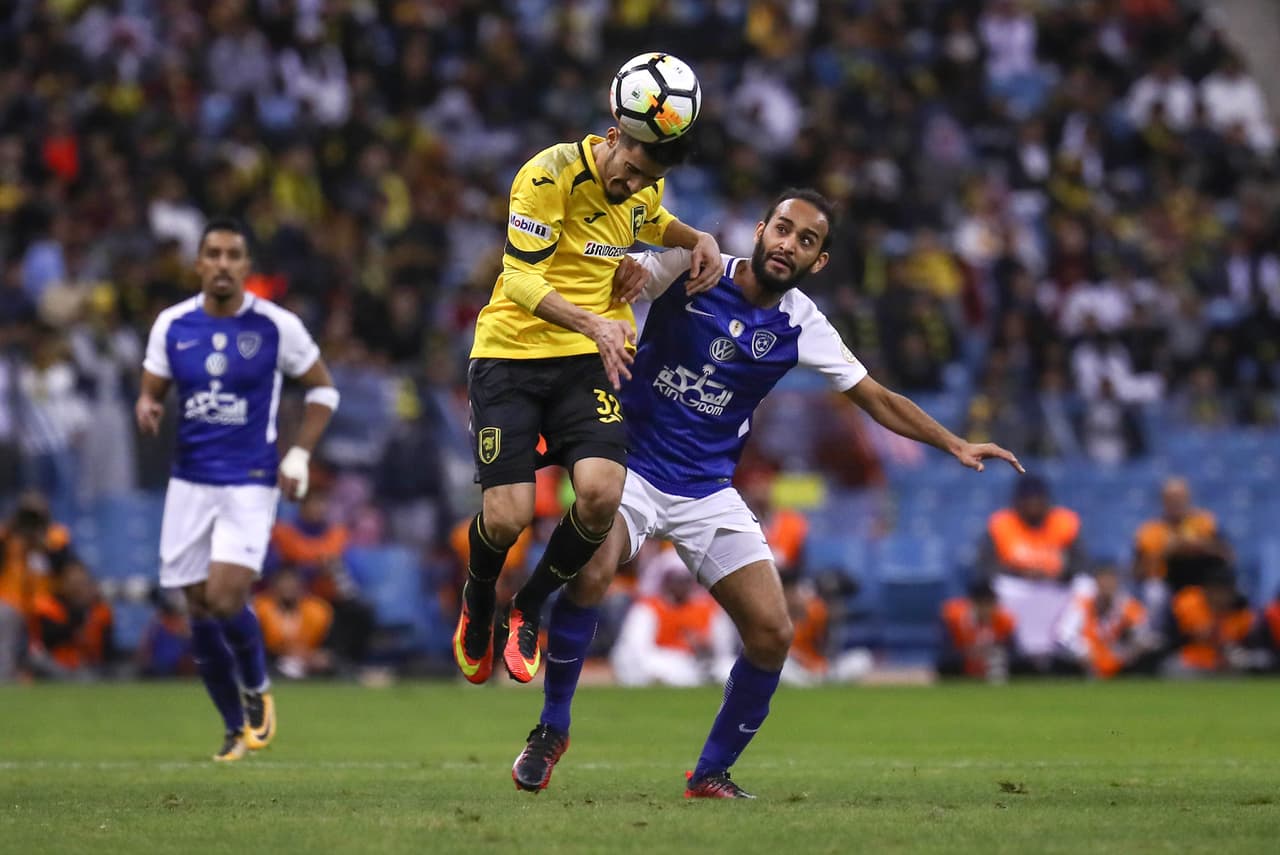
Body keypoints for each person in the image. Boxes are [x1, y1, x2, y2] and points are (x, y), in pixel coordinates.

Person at [506, 189, 1023, 798]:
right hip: (631, 467)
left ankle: (710, 773)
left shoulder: (802, 323)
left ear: (819, 261)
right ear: (760, 229)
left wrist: (955, 443)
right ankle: (552, 728)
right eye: (783, 229)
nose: (788, 244)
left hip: (706, 490)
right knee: (592, 570)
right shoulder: (692, 267)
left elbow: (877, 398)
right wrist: (617, 280)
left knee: (773, 633)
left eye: (806, 240)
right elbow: (605, 287)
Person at [454, 121, 722, 686]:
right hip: (512, 354)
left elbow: (655, 221)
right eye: (631, 168)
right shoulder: (548, 173)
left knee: (601, 494)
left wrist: (700, 239)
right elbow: (519, 277)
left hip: (587, 362)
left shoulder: (644, 187)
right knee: (509, 519)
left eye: (650, 177)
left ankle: (529, 606)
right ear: (612, 137)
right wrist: (591, 322)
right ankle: (478, 595)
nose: (635, 183)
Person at [135, 218, 339, 762]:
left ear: (247, 267)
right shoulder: (172, 325)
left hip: (249, 480)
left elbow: (322, 391)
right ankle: (233, 727)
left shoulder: (276, 327)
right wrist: (148, 404)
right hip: (189, 481)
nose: (223, 263)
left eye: (234, 254)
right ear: (199, 263)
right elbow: (153, 385)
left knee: (226, 596)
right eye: (214, 254)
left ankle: (257, 688)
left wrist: (297, 454)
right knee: (197, 608)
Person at [977, 475, 1087, 664]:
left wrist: (1059, 574)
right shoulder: (1002, 523)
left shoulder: (1064, 521)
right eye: (1028, 500)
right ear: (1018, 502)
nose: (1033, 505)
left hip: (1055, 586)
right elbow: (986, 566)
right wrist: (1021, 573)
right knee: (995, 587)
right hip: (1017, 588)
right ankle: (1010, 644)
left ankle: (1066, 638)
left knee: (1085, 585)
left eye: (1038, 500)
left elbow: (1081, 563)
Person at [609, 550, 737, 687]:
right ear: (666, 581)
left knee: (730, 667)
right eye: (676, 580)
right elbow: (637, 650)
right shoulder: (648, 609)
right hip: (662, 661)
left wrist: (704, 647)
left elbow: (722, 651)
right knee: (651, 665)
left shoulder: (708, 610)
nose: (681, 585)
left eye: (685, 580)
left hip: (696, 665)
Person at [0, 492, 79, 682]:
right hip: (11, 604)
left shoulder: (55, 539)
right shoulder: (7, 538)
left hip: (46, 607)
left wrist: (42, 545)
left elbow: (68, 571)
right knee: (6, 615)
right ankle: (5, 675)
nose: (31, 524)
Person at [1132, 477, 1230, 619]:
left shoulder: (1204, 522)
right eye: (1170, 498)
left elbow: (1227, 554)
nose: (1176, 502)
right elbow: (1137, 572)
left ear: (1188, 498)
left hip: (1203, 583)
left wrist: (1202, 545)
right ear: (1162, 501)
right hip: (1167, 583)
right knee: (1154, 592)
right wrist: (1166, 551)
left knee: (1221, 589)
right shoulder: (1149, 531)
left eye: (1180, 497)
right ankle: (1154, 638)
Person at [1055, 564, 1158, 678]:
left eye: (1110, 584)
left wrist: (1131, 648)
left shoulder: (1126, 606)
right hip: (1085, 660)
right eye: (1103, 584)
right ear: (1096, 585)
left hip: (1117, 660)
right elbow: (1064, 634)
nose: (1107, 588)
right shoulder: (1082, 604)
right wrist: (1082, 651)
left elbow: (1144, 633)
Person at [25, 562, 113, 680]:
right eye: (73, 583)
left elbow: (106, 649)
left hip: (85, 665)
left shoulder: (99, 610)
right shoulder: (49, 605)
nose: (77, 588)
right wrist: (80, 611)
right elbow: (50, 639)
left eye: (82, 583)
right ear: (63, 583)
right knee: (37, 659)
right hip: (53, 662)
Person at [937, 580, 1019, 681]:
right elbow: (946, 649)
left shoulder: (1005, 620)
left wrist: (992, 652)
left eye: (989, 603)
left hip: (994, 662)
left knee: (1019, 665)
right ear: (972, 603)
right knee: (947, 666)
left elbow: (1013, 650)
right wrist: (969, 653)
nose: (986, 608)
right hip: (963, 663)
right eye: (981, 603)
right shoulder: (954, 618)